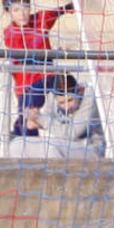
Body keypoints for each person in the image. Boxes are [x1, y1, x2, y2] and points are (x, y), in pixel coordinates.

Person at [3, 0, 75, 137]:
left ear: (30, 7)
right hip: (28, 84)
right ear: (9, 12)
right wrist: (54, 51)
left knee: (71, 86)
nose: (22, 14)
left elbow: (59, 11)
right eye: (16, 10)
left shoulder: (40, 19)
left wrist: (72, 7)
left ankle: (68, 120)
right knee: (27, 119)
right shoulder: (9, 33)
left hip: (49, 76)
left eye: (25, 8)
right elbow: (27, 56)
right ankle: (21, 136)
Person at [9, 73, 106, 160]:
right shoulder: (53, 96)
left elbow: (70, 134)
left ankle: (59, 179)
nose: (67, 107)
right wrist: (36, 120)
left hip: (91, 147)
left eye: (70, 100)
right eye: (62, 102)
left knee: (51, 150)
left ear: (79, 92)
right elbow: (47, 122)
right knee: (17, 145)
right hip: (64, 144)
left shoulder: (89, 98)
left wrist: (39, 118)